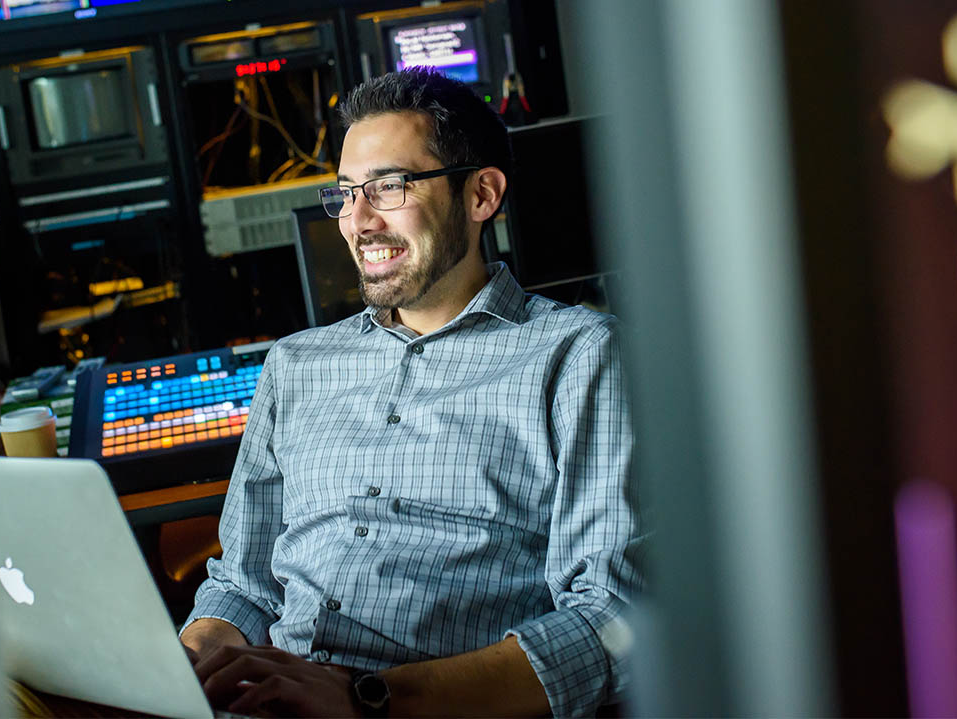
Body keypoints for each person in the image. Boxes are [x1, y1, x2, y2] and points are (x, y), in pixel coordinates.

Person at [180, 69, 641, 718]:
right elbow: (245, 586)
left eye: (389, 187)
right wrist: (183, 668)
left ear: (481, 194)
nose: (357, 221)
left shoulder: (579, 356)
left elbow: (613, 622)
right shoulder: (295, 364)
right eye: (344, 195)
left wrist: (367, 698)